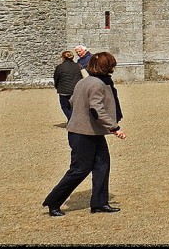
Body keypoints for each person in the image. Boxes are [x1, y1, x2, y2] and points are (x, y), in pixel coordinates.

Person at [42, 52, 126, 217]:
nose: (113, 68)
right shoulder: (96, 84)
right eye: (111, 65)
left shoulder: (84, 81)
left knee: (102, 165)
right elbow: (97, 109)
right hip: (81, 133)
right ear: (105, 67)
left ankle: (99, 203)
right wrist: (114, 127)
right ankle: (53, 201)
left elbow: (72, 102)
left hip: (91, 132)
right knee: (79, 169)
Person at [53, 51, 84, 121]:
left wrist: (57, 87)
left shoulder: (60, 67)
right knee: (76, 107)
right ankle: (74, 120)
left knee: (65, 107)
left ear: (63, 58)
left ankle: (71, 119)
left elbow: (56, 78)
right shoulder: (78, 66)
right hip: (76, 89)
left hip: (64, 90)